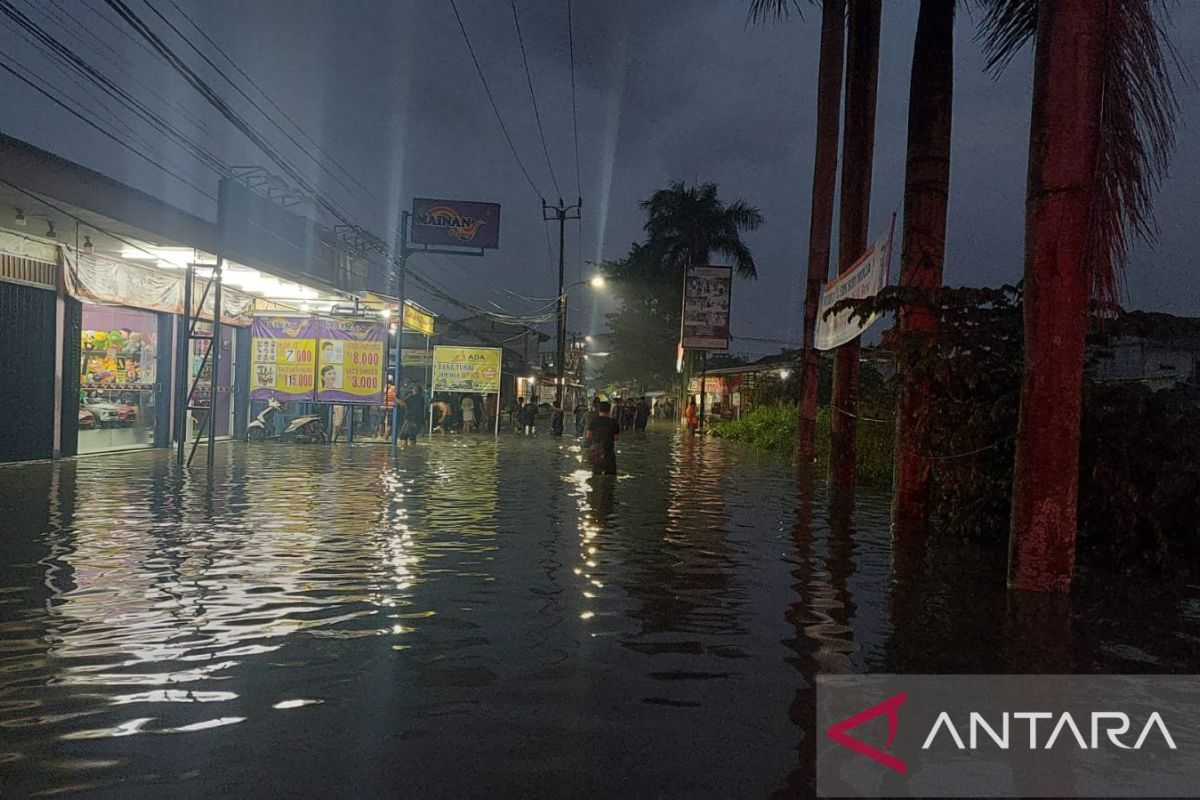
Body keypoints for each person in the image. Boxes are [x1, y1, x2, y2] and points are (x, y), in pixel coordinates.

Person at [585, 401, 619, 475]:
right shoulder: (614, 422)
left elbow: (589, 435)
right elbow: (616, 438)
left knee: (596, 475)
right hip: (609, 452)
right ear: (609, 410)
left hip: (597, 452)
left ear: (599, 410)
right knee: (610, 476)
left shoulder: (594, 421)